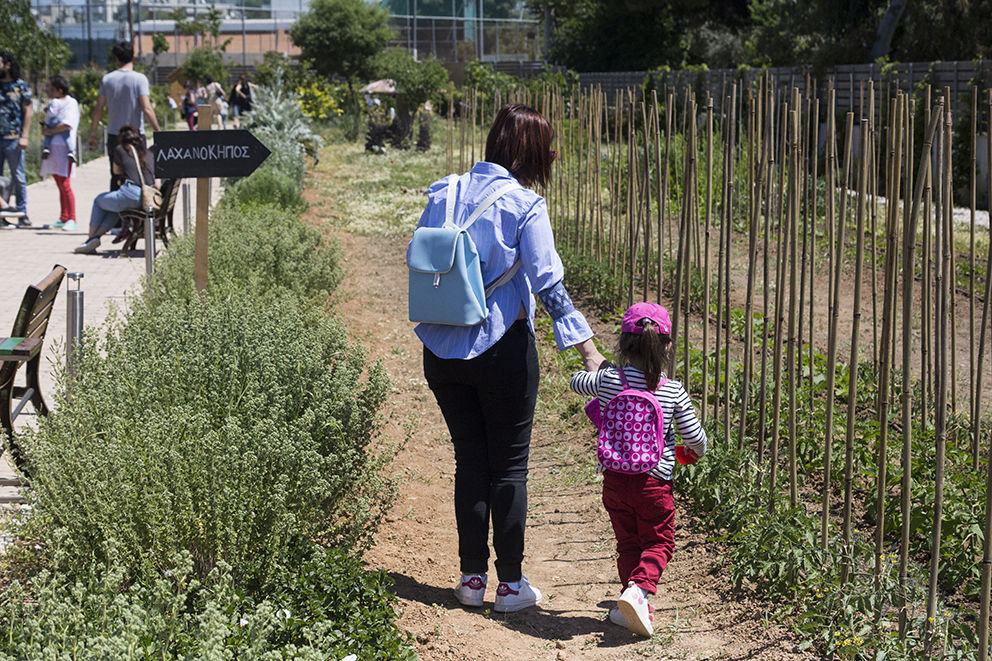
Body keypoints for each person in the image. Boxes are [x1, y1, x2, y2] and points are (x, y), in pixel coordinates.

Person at [409, 104, 606, 614]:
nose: (555, 153)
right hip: (501, 347)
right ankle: (512, 587)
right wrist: (587, 350)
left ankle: (471, 579)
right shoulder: (524, 204)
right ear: (531, 151)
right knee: (509, 466)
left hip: (440, 347)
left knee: (470, 460)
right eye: (549, 146)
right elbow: (548, 282)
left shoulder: (443, 191)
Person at [568, 302, 707, 637]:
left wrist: (597, 370)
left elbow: (576, 382)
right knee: (660, 541)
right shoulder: (672, 390)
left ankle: (627, 606)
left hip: (615, 481)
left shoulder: (607, 380)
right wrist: (693, 452)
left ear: (622, 344)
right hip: (654, 484)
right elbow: (696, 438)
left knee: (628, 543)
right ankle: (640, 590)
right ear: (667, 346)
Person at [86, 41, 160, 190]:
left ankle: (116, 210)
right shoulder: (140, 79)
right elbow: (146, 108)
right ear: (132, 57)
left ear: (116, 58)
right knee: (140, 173)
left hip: (115, 135)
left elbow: (98, 108)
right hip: (136, 135)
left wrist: (93, 134)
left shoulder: (107, 79)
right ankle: (138, 209)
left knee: (116, 175)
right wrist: (158, 130)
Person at [74, 125, 154, 254]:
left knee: (99, 200)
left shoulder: (121, 149)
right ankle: (96, 238)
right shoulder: (148, 153)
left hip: (131, 194)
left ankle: (89, 240)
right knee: (114, 209)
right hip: (148, 198)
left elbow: (115, 171)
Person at [40, 75, 80, 231]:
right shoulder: (52, 104)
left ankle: (72, 218)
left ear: (59, 90)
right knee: (58, 182)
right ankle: (63, 217)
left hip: (65, 149)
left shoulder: (71, 103)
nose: (47, 91)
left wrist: (49, 131)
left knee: (65, 184)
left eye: (50, 88)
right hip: (53, 148)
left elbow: (67, 125)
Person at [0, 50, 32, 228]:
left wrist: (25, 135)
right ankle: (2, 214)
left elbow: (28, 111)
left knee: (18, 176)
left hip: (14, 138)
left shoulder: (21, 86)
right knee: (0, 179)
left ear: (7, 64)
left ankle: (22, 212)